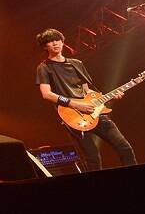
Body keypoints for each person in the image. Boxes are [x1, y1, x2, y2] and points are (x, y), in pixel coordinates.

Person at [35, 28, 136, 171]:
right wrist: (76, 105)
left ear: (63, 42)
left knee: (125, 148)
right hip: (73, 117)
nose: (55, 43)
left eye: (57, 40)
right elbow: (47, 94)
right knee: (93, 158)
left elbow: (87, 90)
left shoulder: (76, 63)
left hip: (95, 113)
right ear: (45, 46)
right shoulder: (44, 67)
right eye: (50, 42)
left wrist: (110, 96)